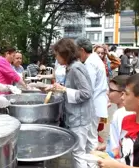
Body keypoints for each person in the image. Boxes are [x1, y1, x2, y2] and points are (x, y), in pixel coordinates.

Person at [49, 38, 94, 168]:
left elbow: (86, 93)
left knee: (78, 153)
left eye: (57, 54)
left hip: (79, 117)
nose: (56, 58)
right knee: (78, 152)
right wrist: (60, 87)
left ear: (65, 54)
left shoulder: (75, 68)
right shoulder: (72, 67)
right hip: (77, 116)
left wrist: (64, 89)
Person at [75, 37, 108, 152]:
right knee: (92, 136)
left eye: (77, 51)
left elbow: (88, 88)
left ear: (82, 50)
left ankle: (93, 163)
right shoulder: (95, 59)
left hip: (93, 104)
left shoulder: (90, 63)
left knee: (90, 138)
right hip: (97, 102)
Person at [97, 75, 134, 157]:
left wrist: (109, 156)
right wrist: (107, 146)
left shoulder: (122, 114)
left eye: (111, 90)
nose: (107, 92)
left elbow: (124, 145)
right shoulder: (122, 112)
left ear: (122, 94)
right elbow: (116, 138)